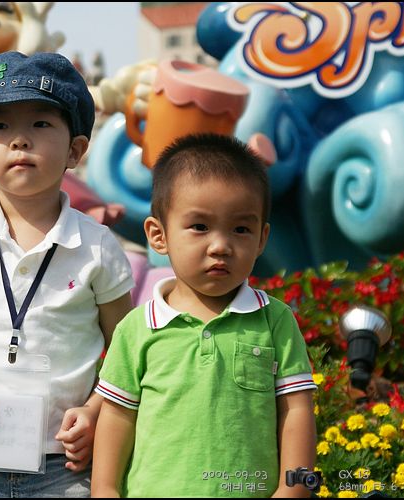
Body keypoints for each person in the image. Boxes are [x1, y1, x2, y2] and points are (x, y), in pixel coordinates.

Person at [0, 51, 134, 498]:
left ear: (75, 150)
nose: (19, 140)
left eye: (40, 123)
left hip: (64, 462)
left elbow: (126, 350)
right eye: (0, 126)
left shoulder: (97, 246)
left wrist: (95, 410)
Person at [91, 134, 317, 498]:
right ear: (158, 235)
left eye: (241, 229)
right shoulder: (137, 327)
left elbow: (296, 412)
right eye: (199, 226)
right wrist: (104, 488)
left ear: (262, 238)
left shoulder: (274, 320)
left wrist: (293, 490)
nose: (220, 246)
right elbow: (118, 415)